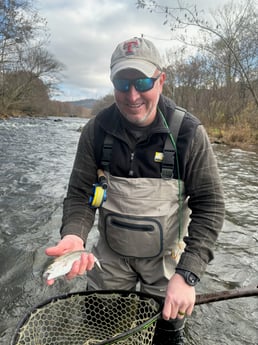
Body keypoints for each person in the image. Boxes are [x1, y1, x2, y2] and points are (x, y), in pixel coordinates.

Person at [45, 37, 225, 345]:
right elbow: (79, 194)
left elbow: (210, 206)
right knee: (101, 329)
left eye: (142, 82)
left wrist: (188, 274)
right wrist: (74, 234)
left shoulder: (188, 133)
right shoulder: (96, 130)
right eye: (122, 82)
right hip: (109, 259)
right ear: (112, 83)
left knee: (164, 335)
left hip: (167, 260)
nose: (132, 95)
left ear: (161, 81)